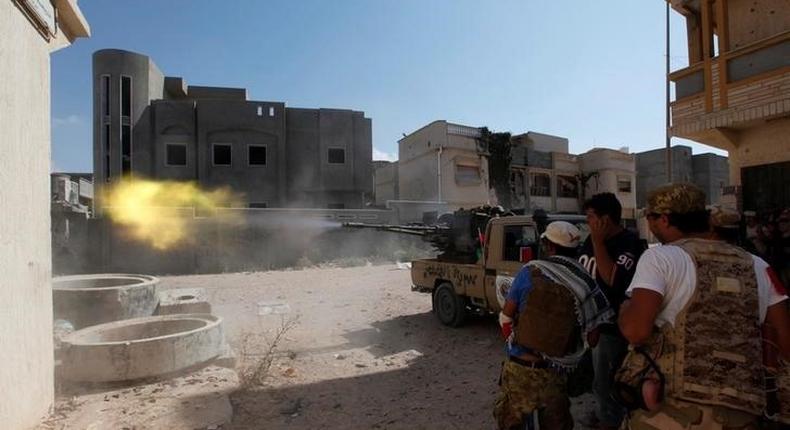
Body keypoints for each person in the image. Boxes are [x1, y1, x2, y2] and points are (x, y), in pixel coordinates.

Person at [617, 183, 790, 429]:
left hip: (672, 411)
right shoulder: (759, 266)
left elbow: (636, 331)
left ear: (663, 220)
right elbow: (785, 343)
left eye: (651, 217)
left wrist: (625, 310)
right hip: (742, 413)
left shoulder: (660, 258)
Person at [495, 221, 612, 430]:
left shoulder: (529, 271)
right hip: (555, 375)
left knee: (513, 423)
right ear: (575, 249)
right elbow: (593, 338)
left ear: (548, 246)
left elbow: (506, 317)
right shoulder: (585, 282)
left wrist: (514, 343)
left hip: (519, 369)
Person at [577, 192, 646, 429]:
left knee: (610, 381)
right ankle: (603, 413)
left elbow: (613, 280)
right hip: (592, 323)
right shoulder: (590, 241)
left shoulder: (629, 243)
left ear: (605, 220)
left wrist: (597, 241)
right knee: (597, 379)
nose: (588, 223)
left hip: (613, 328)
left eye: (590, 217)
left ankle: (611, 422)